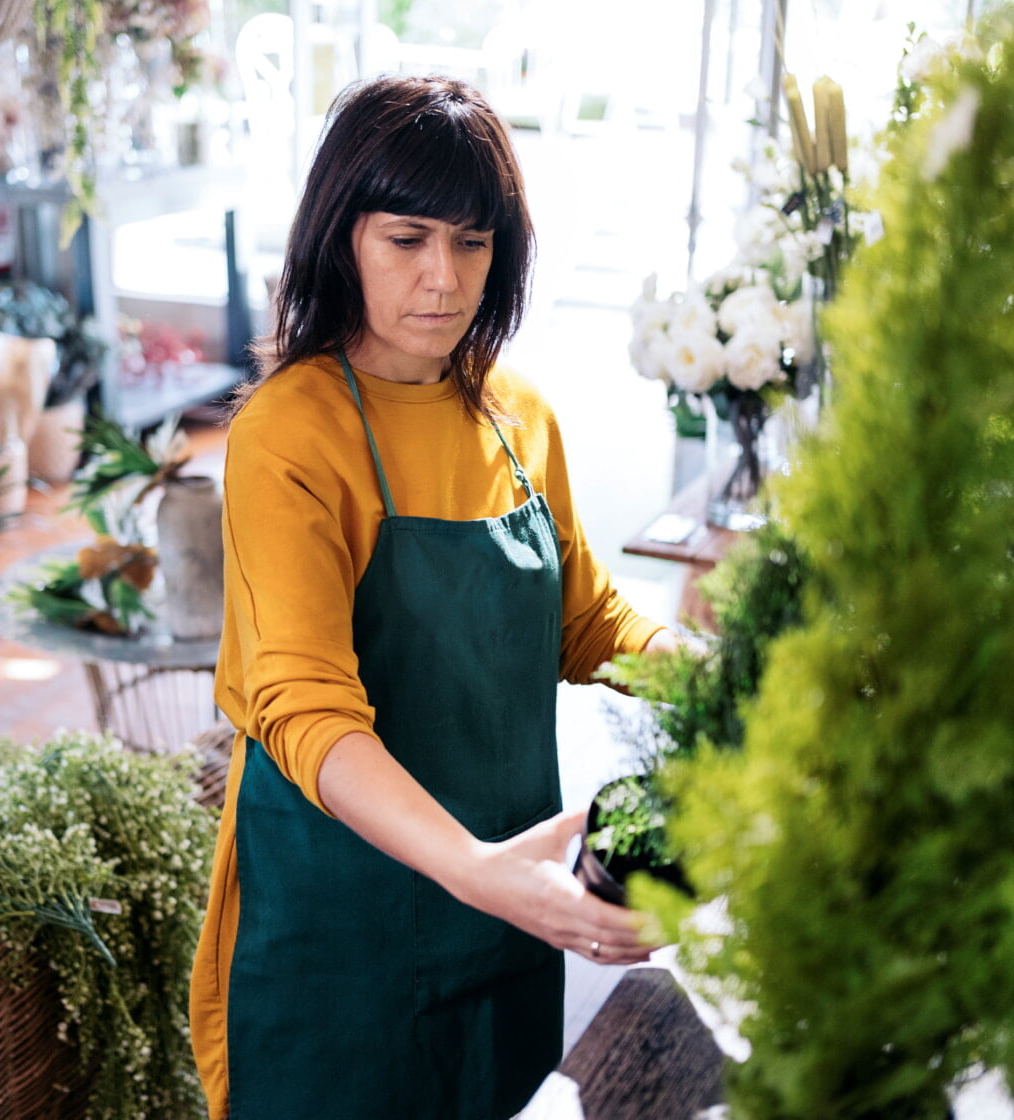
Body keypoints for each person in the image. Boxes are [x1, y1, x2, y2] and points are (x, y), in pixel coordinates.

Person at [189, 74, 676, 1120]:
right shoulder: (291, 433)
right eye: (406, 238)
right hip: (335, 944)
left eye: (472, 243)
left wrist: (715, 673)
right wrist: (474, 867)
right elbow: (306, 707)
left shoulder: (520, 415)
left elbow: (586, 620)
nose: (442, 279)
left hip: (503, 913)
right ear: (342, 237)